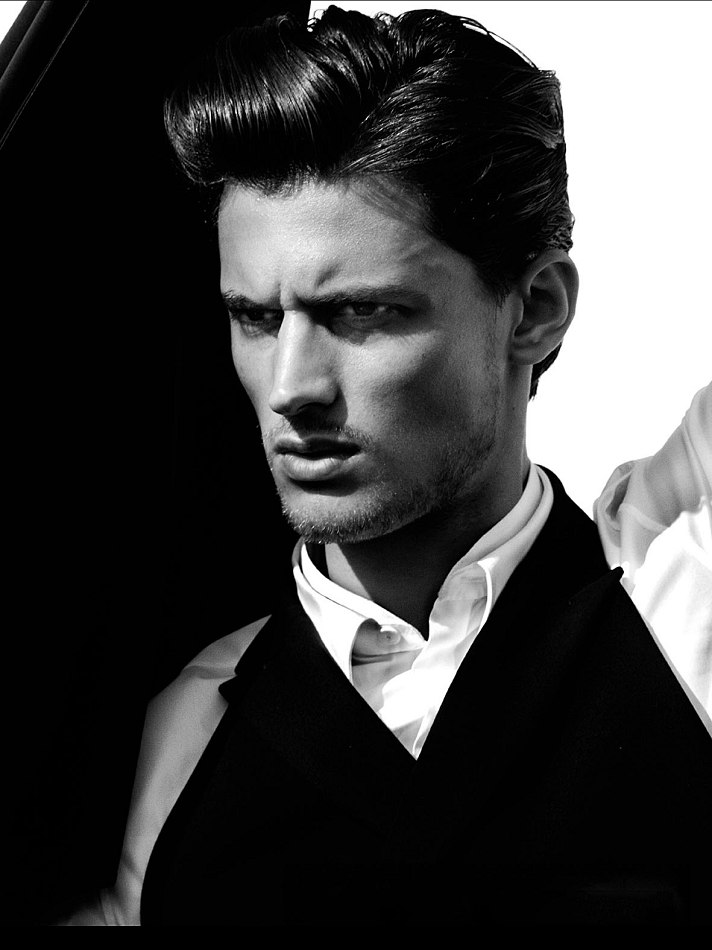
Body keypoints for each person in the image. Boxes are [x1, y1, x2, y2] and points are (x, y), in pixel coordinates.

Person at [65, 6, 711, 926]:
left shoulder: (677, 587)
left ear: (535, 308)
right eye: (255, 318)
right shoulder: (188, 728)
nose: (290, 387)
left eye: (360, 313)